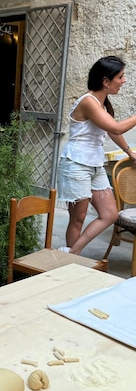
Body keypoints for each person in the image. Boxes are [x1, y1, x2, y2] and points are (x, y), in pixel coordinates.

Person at [57, 55, 136, 255]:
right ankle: (72, 263)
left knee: (109, 214)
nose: (124, 80)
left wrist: (129, 152)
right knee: (78, 218)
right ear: (106, 81)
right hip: (76, 164)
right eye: (121, 76)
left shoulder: (101, 104)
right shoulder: (89, 102)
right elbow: (116, 128)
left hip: (93, 165)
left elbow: (111, 131)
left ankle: (71, 253)